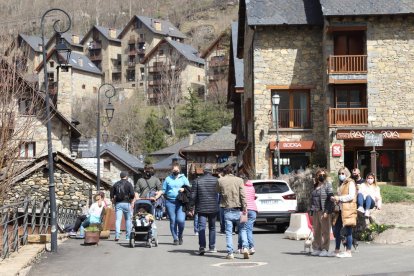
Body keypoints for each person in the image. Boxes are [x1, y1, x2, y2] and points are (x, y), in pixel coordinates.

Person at [217, 165, 248, 259]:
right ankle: (245, 248)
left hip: (227, 209)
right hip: (239, 209)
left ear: (224, 171)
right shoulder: (239, 180)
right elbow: (243, 195)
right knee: (242, 229)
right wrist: (245, 207)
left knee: (229, 232)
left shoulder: (220, 180)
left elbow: (217, 191)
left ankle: (230, 253)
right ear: (232, 171)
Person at [189, 164, 219, 256]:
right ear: (211, 170)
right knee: (212, 227)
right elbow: (219, 194)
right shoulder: (216, 180)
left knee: (201, 227)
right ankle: (212, 246)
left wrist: (191, 207)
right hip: (213, 207)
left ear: (203, 171)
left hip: (201, 207)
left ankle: (202, 247)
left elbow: (193, 195)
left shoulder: (197, 181)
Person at [160, 163, 190, 245]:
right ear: (171, 170)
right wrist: (158, 194)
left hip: (181, 202)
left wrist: (183, 189)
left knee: (181, 220)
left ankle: (180, 235)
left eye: (177, 170)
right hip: (170, 202)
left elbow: (189, 188)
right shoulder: (167, 179)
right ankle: (175, 238)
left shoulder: (183, 178)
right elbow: (163, 190)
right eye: (174, 170)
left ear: (179, 170)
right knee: (173, 221)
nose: (175, 171)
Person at [330, 167, 357, 258]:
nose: (341, 175)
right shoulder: (341, 184)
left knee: (348, 230)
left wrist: (339, 198)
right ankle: (337, 249)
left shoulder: (351, 182)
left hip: (348, 209)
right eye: (339, 173)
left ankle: (348, 251)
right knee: (337, 230)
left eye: (342, 173)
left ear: (346, 173)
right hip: (340, 210)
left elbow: (351, 196)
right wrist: (335, 199)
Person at [310, 169, 334, 257]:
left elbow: (330, 198)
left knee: (325, 230)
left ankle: (325, 249)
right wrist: (311, 210)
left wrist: (327, 211)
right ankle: (317, 248)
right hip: (316, 210)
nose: (321, 176)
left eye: (323, 175)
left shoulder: (328, 185)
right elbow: (312, 199)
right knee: (316, 230)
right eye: (320, 174)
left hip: (324, 211)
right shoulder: (315, 185)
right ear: (317, 176)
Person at [110, 171, 135, 241]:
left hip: (118, 203)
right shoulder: (129, 184)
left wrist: (113, 201)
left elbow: (111, 194)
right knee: (128, 220)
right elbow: (132, 194)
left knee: (118, 220)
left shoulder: (116, 184)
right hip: (127, 203)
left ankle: (117, 235)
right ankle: (128, 236)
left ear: (120, 176)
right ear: (126, 176)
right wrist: (130, 199)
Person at [237, 175, 258, 255]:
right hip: (253, 210)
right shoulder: (252, 187)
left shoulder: (241, 188)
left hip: (244, 210)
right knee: (249, 229)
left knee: (242, 229)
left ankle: (240, 247)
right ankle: (251, 247)